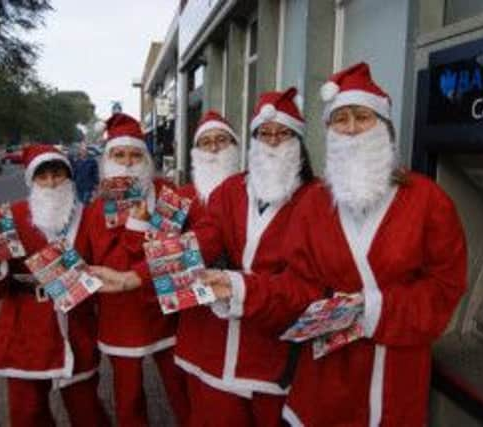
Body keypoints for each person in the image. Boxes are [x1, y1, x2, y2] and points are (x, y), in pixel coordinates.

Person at [201, 62, 468, 426]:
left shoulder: (428, 201)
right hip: (323, 375)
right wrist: (238, 286)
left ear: (385, 127)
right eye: (341, 119)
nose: (353, 129)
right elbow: (298, 286)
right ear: (329, 131)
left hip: (392, 373)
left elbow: (445, 288)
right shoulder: (315, 204)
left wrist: (371, 308)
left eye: (363, 117)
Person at [98, 88, 318, 427]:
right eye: (264, 133)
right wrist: (136, 273)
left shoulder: (313, 198)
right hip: (204, 326)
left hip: (271, 346)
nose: (272, 142)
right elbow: (199, 240)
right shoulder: (195, 195)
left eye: (283, 133)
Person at [0, 144, 108, 427]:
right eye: (42, 177)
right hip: (24, 326)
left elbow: (106, 260)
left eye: (57, 174)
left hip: (76, 322)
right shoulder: (9, 217)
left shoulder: (90, 215)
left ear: (69, 177)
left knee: (87, 409)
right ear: (32, 181)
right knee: (28, 412)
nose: (50, 182)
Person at [89, 113, 189, 427]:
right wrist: (138, 227)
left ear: (146, 159)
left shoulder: (168, 194)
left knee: (181, 388)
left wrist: (139, 228)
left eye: (135, 155)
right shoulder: (97, 207)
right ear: (107, 159)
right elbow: (112, 262)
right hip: (120, 313)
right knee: (128, 394)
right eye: (119, 154)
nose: (128, 162)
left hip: (166, 310)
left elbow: (177, 251)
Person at [178, 109, 240, 226]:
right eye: (206, 143)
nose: (214, 148)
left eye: (221, 140)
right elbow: (156, 240)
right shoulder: (177, 196)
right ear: (197, 151)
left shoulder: (250, 193)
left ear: (234, 144)